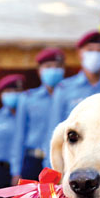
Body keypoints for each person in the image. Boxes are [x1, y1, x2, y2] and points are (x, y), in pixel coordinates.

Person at [43, 12, 100, 161]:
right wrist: (51, 166)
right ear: (80, 53)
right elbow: (53, 132)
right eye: (90, 50)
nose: (95, 55)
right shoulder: (64, 88)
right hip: (72, 159)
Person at [17, 47, 65, 181]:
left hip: (63, 159)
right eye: (48, 66)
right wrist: (16, 169)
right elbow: (19, 135)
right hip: (33, 160)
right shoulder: (28, 98)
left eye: (57, 66)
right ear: (39, 71)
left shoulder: (69, 97)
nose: (53, 70)